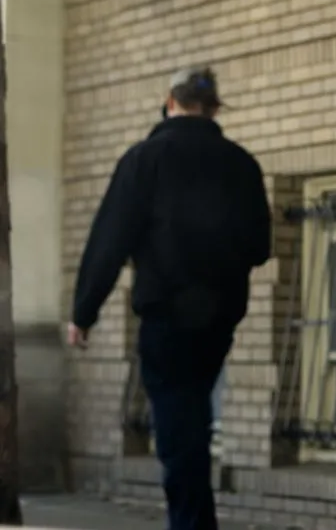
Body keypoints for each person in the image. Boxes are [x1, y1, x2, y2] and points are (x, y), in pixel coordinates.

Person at [69, 66, 272, 530]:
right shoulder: (242, 164)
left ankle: (190, 524)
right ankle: (196, 520)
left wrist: (84, 312)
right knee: (192, 416)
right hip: (220, 313)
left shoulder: (145, 160)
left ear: (169, 101)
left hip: (166, 313)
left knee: (178, 426)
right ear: (216, 108)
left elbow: (110, 240)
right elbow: (260, 247)